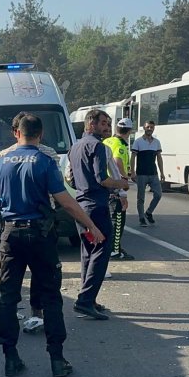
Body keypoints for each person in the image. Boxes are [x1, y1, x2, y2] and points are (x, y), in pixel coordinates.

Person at [0, 113, 106, 377]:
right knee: (51, 297)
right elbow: (67, 202)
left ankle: (11, 358)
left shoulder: (1, 161)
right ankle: (57, 360)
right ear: (40, 135)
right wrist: (91, 227)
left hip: (10, 236)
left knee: (8, 298)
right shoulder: (45, 161)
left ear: (17, 133)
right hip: (40, 235)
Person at [0, 112, 60, 318]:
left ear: (17, 132)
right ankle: (39, 314)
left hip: (12, 224)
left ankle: (12, 325)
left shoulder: (3, 157)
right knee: (43, 273)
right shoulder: (47, 156)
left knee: (11, 279)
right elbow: (59, 191)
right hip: (42, 223)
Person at [67, 109, 129, 320]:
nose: (107, 127)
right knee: (102, 250)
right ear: (91, 124)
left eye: (109, 124)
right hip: (96, 206)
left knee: (88, 251)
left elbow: (70, 179)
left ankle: (88, 299)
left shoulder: (75, 147)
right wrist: (120, 184)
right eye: (103, 123)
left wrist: (84, 187)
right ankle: (85, 301)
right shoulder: (98, 147)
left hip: (81, 205)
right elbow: (102, 179)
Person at [103, 119, 135, 260]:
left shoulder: (108, 141)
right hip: (114, 186)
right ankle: (115, 250)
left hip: (104, 184)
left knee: (109, 218)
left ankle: (110, 248)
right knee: (118, 218)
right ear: (129, 132)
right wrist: (123, 180)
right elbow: (117, 161)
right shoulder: (120, 144)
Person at [130, 121, 164, 227]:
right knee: (141, 198)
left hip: (153, 173)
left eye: (152, 127)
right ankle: (141, 218)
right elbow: (133, 157)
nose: (150, 129)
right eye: (148, 127)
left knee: (158, 194)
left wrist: (162, 172)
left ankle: (148, 212)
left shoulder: (156, 142)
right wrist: (133, 172)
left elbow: (159, 158)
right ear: (144, 128)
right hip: (141, 174)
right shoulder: (138, 141)